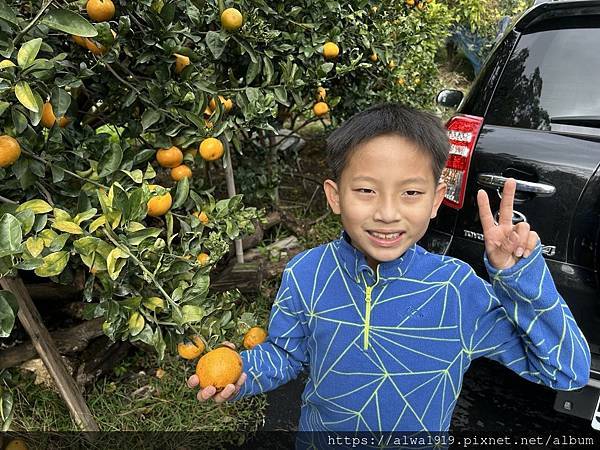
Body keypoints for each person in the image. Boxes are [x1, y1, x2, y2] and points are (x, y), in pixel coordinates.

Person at [187, 103, 591, 440]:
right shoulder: (305, 273)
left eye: (411, 193)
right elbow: (285, 354)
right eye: (366, 190)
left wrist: (520, 278)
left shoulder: (456, 290)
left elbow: (565, 369)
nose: (387, 213)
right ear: (334, 196)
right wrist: (244, 374)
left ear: (436, 200)